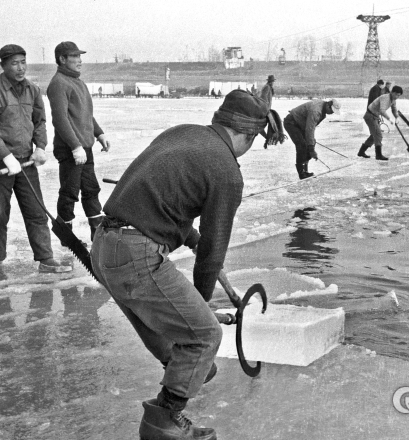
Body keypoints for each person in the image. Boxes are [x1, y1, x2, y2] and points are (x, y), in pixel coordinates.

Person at [90, 89, 272, 440]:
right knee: (204, 336)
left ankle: (179, 390)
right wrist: (201, 307)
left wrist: (193, 240)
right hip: (136, 255)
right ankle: (164, 421)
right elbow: (212, 255)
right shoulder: (227, 171)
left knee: (182, 354)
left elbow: (167, 200)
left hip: (105, 246)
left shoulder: (183, 133)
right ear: (247, 135)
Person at [0, 44, 71, 273]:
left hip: (26, 161)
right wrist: (5, 156)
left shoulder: (32, 89)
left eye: (23, 62)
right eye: (14, 63)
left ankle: (46, 259)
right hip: (0, 162)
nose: (20, 68)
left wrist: (40, 147)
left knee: (36, 212)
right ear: (3, 66)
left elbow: (39, 121)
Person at [47, 41, 111, 241]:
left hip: (86, 148)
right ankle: (66, 237)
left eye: (79, 56)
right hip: (70, 150)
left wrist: (99, 134)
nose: (80, 61)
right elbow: (60, 119)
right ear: (62, 59)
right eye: (74, 56)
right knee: (69, 193)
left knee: (91, 190)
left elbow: (85, 115)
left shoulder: (78, 82)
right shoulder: (58, 84)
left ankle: (98, 235)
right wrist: (75, 146)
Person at [283, 98, 341, 179]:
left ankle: (305, 171)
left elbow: (310, 128)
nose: (331, 113)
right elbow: (310, 129)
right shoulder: (316, 111)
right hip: (292, 123)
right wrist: (311, 149)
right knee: (302, 145)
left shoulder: (322, 108)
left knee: (310, 143)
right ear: (328, 105)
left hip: (301, 125)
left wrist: (311, 143)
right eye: (332, 110)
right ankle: (302, 173)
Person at [359, 85, 403, 160]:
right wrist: (389, 119)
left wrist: (397, 117)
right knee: (378, 135)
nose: (397, 97)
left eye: (399, 96)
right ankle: (378, 155)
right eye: (396, 95)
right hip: (370, 116)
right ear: (392, 92)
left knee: (374, 136)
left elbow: (394, 109)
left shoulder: (393, 100)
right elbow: (382, 111)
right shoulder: (385, 98)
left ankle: (361, 152)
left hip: (375, 116)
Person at [259, 75, 276, 148]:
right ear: (271, 81)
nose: (273, 83)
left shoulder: (269, 87)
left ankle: (267, 139)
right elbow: (263, 97)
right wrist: (266, 108)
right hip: (265, 109)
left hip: (267, 108)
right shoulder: (267, 87)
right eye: (273, 81)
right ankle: (267, 139)